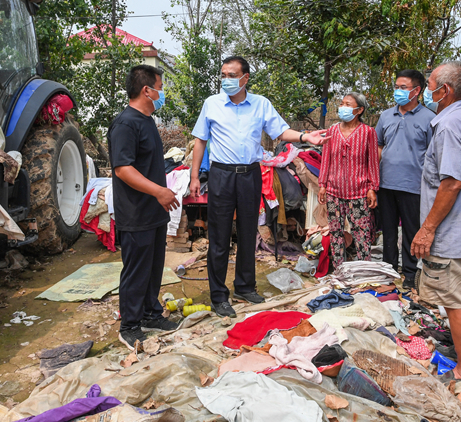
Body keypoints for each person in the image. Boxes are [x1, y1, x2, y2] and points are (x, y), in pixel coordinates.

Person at [189, 56, 328, 318]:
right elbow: (200, 141)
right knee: (219, 237)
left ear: (245, 78)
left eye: (232, 75)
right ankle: (218, 296)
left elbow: (280, 131)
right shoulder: (212, 104)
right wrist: (195, 176)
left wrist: (304, 136)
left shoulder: (260, 104)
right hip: (221, 175)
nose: (226, 80)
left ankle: (244, 287)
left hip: (250, 175)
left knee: (247, 232)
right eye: (223, 75)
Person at [412, 61, 461, 385]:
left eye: (430, 85)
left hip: (453, 231)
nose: (427, 91)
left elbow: (451, 184)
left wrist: (427, 228)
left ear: (444, 91)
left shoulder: (449, 125)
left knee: (454, 301)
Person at [109, 65, 180, 351]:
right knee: (136, 271)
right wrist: (159, 191)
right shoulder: (126, 124)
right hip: (136, 211)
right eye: (160, 88)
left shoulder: (147, 121)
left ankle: (151, 314)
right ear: (146, 90)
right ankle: (130, 326)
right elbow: (123, 169)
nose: (162, 93)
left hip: (154, 212)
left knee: (153, 268)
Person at [374, 69, 434, 287]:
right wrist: (374, 179)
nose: (398, 91)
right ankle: (388, 270)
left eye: (403, 87)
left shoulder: (430, 119)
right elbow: (379, 146)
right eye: (396, 87)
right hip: (386, 184)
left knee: (411, 230)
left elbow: (433, 153)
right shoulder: (385, 116)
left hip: (414, 186)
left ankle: (410, 273)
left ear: (416, 91)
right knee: (388, 231)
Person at [318, 92, 380, 269]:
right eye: (342, 104)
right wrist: (322, 185)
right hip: (334, 192)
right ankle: (339, 270)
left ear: (359, 110)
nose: (342, 107)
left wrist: (372, 187)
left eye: (348, 104)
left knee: (362, 234)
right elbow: (326, 159)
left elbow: (372, 162)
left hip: (359, 192)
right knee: (335, 233)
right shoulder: (332, 131)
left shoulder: (368, 132)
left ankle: (363, 271)